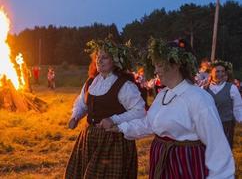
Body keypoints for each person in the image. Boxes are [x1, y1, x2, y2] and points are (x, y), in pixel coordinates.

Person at [104, 38, 235, 178]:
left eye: (159, 65)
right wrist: (120, 127)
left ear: (176, 64)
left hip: (186, 162)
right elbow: (149, 123)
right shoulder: (163, 95)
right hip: (162, 160)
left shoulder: (198, 98)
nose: (155, 70)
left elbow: (217, 146)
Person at [65, 38, 146, 178]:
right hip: (89, 138)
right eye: (98, 57)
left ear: (115, 61)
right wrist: (75, 116)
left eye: (105, 57)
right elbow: (81, 103)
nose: (99, 61)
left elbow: (139, 111)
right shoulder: (91, 82)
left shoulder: (124, 85)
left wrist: (114, 119)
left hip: (113, 141)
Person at [204, 60, 242, 149]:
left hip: (226, 125)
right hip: (209, 125)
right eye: (217, 71)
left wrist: (240, 119)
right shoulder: (205, 88)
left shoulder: (231, 88)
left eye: (222, 71)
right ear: (211, 73)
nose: (220, 74)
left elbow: (238, 107)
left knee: (224, 150)